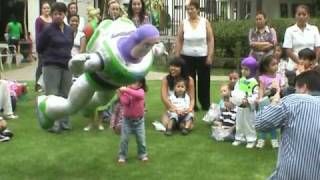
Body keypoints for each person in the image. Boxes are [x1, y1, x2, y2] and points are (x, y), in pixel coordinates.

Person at [35, 17, 165, 130]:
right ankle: (45, 106)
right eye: (147, 45)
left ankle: (87, 108)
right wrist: (77, 64)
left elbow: (152, 51)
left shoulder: (145, 57)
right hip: (90, 81)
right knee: (71, 107)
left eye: (151, 45)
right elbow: (77, 69)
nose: (148, 49)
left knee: (99, 101)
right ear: (137, 41)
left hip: (109, 88)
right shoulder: (108, 56)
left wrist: (158, 50)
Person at [255, 70, 320, 179]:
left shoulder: (294, 101)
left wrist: (274, 102)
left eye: (296, 89)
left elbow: (260, 123)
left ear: (303, 87)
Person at [36, 2, 74, 133]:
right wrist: (50, 56)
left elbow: (70, 45)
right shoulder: (47, 29)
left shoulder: (69, 30)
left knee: (66, 95)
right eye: (55, 14)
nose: (58, 16)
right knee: (53, 95)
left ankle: (64, 122)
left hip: (66, 65)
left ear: (65, 14)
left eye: (60, 13)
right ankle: (54, 124)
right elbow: (39, 47)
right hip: (51, 65)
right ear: (52, 15)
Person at [175, 0, 214, 111]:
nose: (190, 11)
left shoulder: (205, 22)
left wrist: (210, 56)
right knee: (188, 80)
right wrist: (177, 56)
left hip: (203, 56)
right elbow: (179, 40)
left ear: (197, 9)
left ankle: (205, 104)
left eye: (192, 8)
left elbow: (210, 40)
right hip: (186, 56)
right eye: (188, 9)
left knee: (204, 81)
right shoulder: (184, 23)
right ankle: (192, 104)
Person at [160, 58, 195, 132]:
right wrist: (174, 109)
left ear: (182, 68)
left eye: (176, 66)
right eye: (171, 66)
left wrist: (190, 108)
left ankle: (181, 123)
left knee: (190, 126)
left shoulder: (189, 80)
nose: (172, 68)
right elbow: (164, 98)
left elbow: (192, 99)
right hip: (171, 108)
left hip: (185, 109)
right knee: (166, 124)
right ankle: (178, 123)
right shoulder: (166, 79)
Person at [118, 78, 148, 163]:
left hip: (139, 121)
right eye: (131, 82)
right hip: (127, 121)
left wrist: (126, 90)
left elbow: (139, 96)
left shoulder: (141, 91)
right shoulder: (127, 92)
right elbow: (125, 102)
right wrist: (121, 93)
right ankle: (122, 156)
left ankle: (142, 154)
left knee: (141, 139)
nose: (132, 84)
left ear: (140, 84)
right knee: (124, 139)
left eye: (135, 82)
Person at [230, 56, 258, 149]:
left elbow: (255, 94)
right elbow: (236, 90)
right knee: (239, 122)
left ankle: (251, 139)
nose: (243, 71)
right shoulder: (240, 80)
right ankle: (239, 137)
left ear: (252, 70)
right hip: (240, 106)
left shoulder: (254, 82)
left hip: (248, 107)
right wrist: (235, 97)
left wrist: (249, 100)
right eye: (242, 69)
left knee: (249, 123)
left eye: (246, 69)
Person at [283, 4, 320, 71]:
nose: (301, 17)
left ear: (308, 16)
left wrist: (313, 63)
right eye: (299, 14)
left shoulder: (314, 29)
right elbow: (288, 50)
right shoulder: (289, 30)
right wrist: (300, 63)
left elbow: (318, 48)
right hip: (295, 65)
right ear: (295, 16)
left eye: (304, 14)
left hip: (312, 65)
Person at [256, 55, 281, 148]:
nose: (276, 66)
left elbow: (279, 89)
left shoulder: (278, 76)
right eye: (273, 64)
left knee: (273, 121)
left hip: (275, 101)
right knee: (264, 120)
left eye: (276, 64)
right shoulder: (263, 78)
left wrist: (277, 97)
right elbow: (261, 89)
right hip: (266, 102)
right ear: (266, 67)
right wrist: (260, 99)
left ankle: (274, 139)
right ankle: (261, 139)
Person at [35, 1, 52, 92]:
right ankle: (38, 85)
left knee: (50, 66)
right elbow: (37, 34)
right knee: (41, 66)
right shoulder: (39, 20)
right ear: (41, 10)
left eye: (48, 8)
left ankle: (46, 84)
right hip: (42, 47)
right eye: (44, 8)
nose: (46, 10)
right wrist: (38, 47)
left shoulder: (52, 19)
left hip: (51, 47)